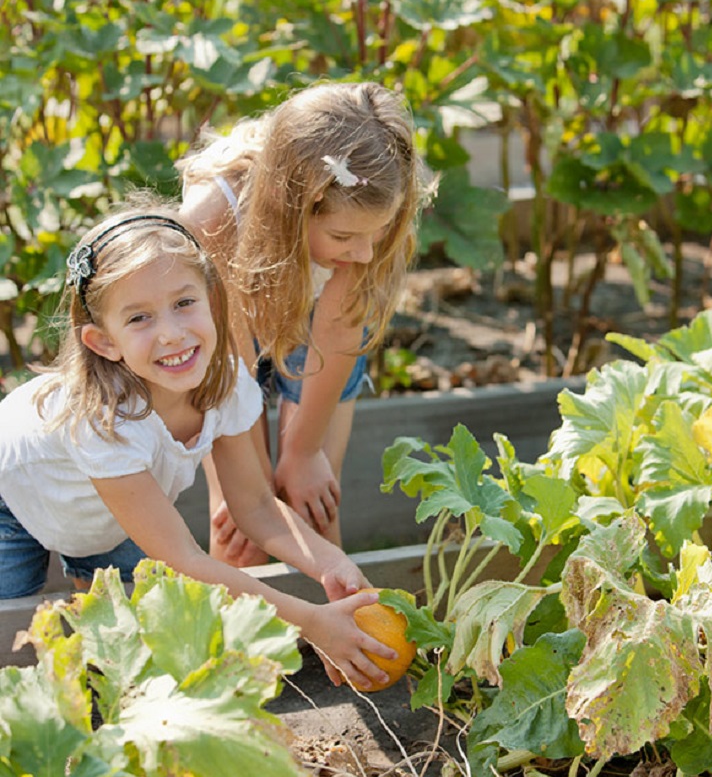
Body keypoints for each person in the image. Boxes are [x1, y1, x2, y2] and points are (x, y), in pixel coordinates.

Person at [0, 203, 399, 691]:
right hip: (13, 504)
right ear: (104, 343)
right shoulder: (104, 423)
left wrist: (329, 561)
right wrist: (311, 621)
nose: (171, 333)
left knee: (128, 659)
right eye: (140, 318)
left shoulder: (225, 382)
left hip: (107, 519)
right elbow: (184, 560)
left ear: (212, 298)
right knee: (11, 647)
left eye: (184, 303)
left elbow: (255, 507)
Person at [178, 81, 432, 566]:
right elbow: (229, 363)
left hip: (324, 335)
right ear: (292, 208)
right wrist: (245, 491)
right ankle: (238, 638)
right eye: (344, 236)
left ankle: (336, 634)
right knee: (240, 529)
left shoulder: (376, 211)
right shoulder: (212, 220)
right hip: (229, 342)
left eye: (376, 235)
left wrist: (303, 453)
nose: (365, 252)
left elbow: (340, 328)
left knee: (311, 502)